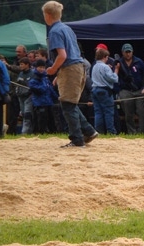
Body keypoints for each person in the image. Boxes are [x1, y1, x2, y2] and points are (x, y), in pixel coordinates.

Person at [42, 1, 98, 148]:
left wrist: (53, 69)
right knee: (70, 104)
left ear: (47, 15)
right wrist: (59, 75)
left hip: (70, 68)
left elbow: (62, 55)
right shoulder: (67, 29)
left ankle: (77, 139)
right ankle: (89, 131)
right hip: (78, 67)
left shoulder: (54, 31)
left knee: (67, 104)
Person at [117, 43, 144, 134]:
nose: (128, 54)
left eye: (129, 52)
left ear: (132, 52)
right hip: (125, 90)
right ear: (122, 52)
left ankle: (142, 131)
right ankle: (131, 132)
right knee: (128, 112)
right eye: (126, 52)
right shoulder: (119, 63)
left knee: (141, 111)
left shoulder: (139, 62)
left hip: (139, 90)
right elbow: (115, 77)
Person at [91, 48, 120, 135]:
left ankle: (99, 131)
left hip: (95, 89)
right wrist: (116, 70)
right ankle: (111, 131)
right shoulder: (105, 67)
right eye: (107, 57)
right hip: (104, 90)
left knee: (98, 112)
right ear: (105, 57)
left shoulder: (95, 66)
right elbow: (113, 79)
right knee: (108, 112)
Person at [29, 58, 58, 134]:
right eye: (40, 67)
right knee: (41, 120)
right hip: (39, 103)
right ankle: (40, 133)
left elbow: (50, 89)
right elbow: (40, 89)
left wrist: (56, 97)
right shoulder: (33, 79)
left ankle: (53, 132)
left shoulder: (45, 78)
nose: (42, 69)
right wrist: (45, 86)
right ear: (36, 67)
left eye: (43, 67)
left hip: (48, 102)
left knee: (51, 119)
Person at [15, 58, 34, 134]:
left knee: (27, 114)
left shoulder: (32, 73)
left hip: (28, 97)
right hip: (21, 96)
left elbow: (32, 85)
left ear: (27, 65)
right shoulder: (20, 74)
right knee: (23, 114)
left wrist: (25, 84)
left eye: (22, 64)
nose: (20, 66)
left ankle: (25, 132)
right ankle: (28, 131)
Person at [0, 57, 10, 138]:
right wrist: (5, 92)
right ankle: (0, 133)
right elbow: (6, 79)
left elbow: (5, 78)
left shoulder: (0, 64)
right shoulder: (1, 64)